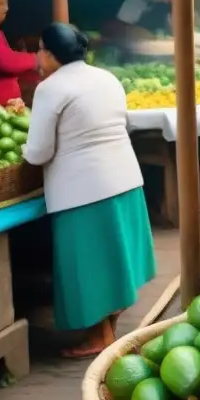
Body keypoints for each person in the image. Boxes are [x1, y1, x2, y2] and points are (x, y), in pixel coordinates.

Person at [22, 23, 154, 358]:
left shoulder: (50, 88)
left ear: (51, 54)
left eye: (40, 49)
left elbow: (38, 152)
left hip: (83, 191)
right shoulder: (106, 77)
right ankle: (108, 329)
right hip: (123, 178)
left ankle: (99, 338)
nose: (37, 56)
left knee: (91, 267)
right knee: (114, 260)